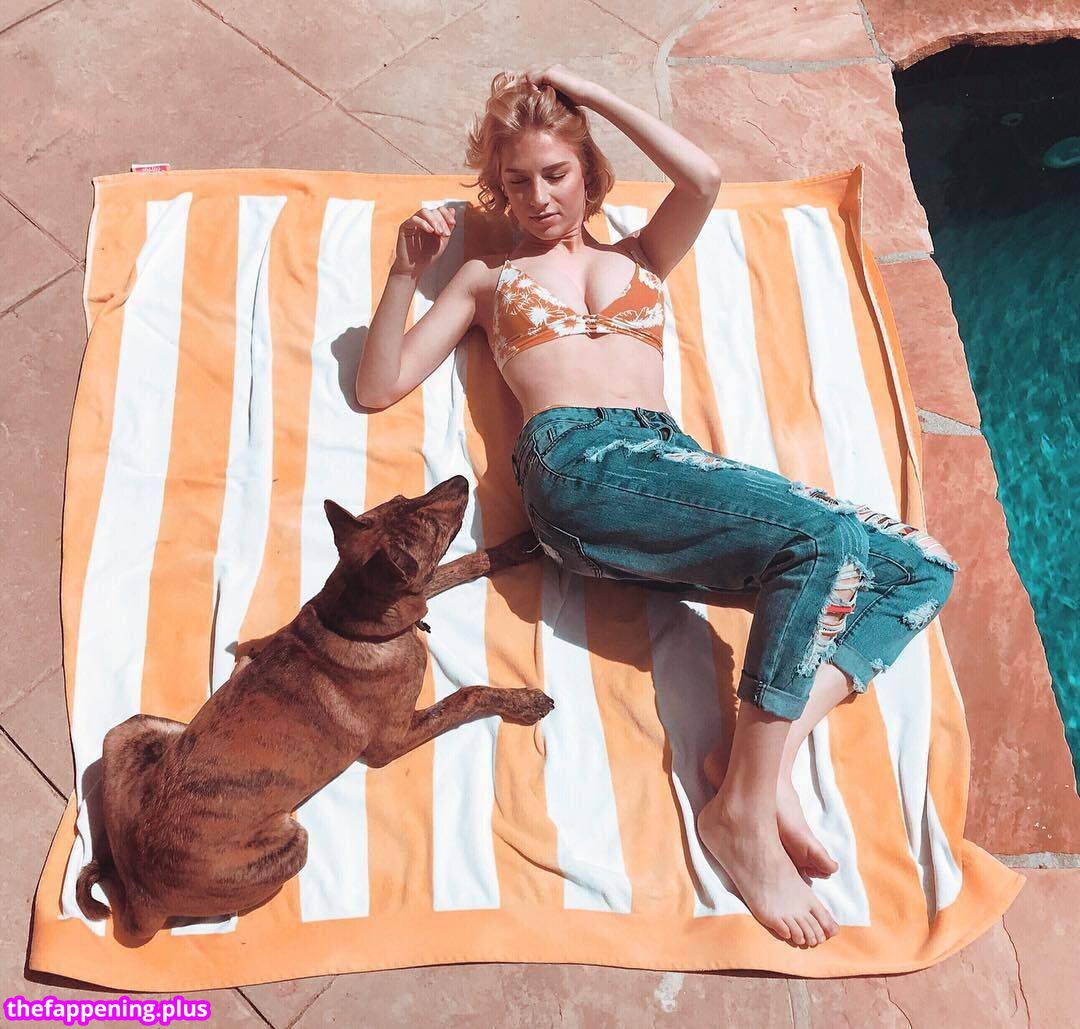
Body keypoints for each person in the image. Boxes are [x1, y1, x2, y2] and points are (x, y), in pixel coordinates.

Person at [355, 65, 959, 950]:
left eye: (555, 173)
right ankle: (741, 812)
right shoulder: (488, 279)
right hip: (577, 467)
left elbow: (702, 177)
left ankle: (759, 759)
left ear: (589, 171)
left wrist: (587, 93)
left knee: (919, 566)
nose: (537, 198)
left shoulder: (640, 256)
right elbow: (378, 385)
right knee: (824, 539)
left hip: (671, 464)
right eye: (516, 182)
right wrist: (405, 272)